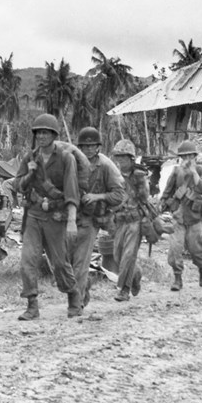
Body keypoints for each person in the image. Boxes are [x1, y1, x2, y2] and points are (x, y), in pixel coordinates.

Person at [11, 113, 82, 320]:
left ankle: (73, 296)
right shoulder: (30, 158)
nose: (41, 136)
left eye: (45, 132)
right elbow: (17, 185)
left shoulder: (66, 159)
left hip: (56, 216)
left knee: (59, 263)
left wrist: (71, 221)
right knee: (27, 261)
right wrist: (29, 174)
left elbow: (71, 191)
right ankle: (32, 305)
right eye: (38, 133)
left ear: (53, 135)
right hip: (33, 214)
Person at [69, 127, 125, 314]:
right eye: (85, 146)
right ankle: (84, 287)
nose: (88, 149)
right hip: (72, 217)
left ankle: (76, 302)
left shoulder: (106, 166)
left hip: (93, 218)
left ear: (98, 147)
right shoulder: (72, 163)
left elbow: (119, 195)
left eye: (92, 146)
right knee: (66, 261)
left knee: (81, 261)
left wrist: (97, 196)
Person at [160, 140, 202, 289]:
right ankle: (177, 279)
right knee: (175, 249)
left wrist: (194, 171)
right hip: (179, 217)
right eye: (184, 157)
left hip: (195, 218)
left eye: (190, 156)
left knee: (196, 249)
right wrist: (162, 203)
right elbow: (168, 190)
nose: (187, 159)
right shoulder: (176, 171)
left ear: (195, 156)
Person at [110, 140, 151, 301]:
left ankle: (124, 290)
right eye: (118, 158)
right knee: (117, 255)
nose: (120, 161)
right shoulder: (114, 175)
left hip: (135, 219)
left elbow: (145, 197)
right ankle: (136, 274)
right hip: (120, 220)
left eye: (123, 158)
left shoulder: (139, 176)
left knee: (128, 255)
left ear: (131, 158)